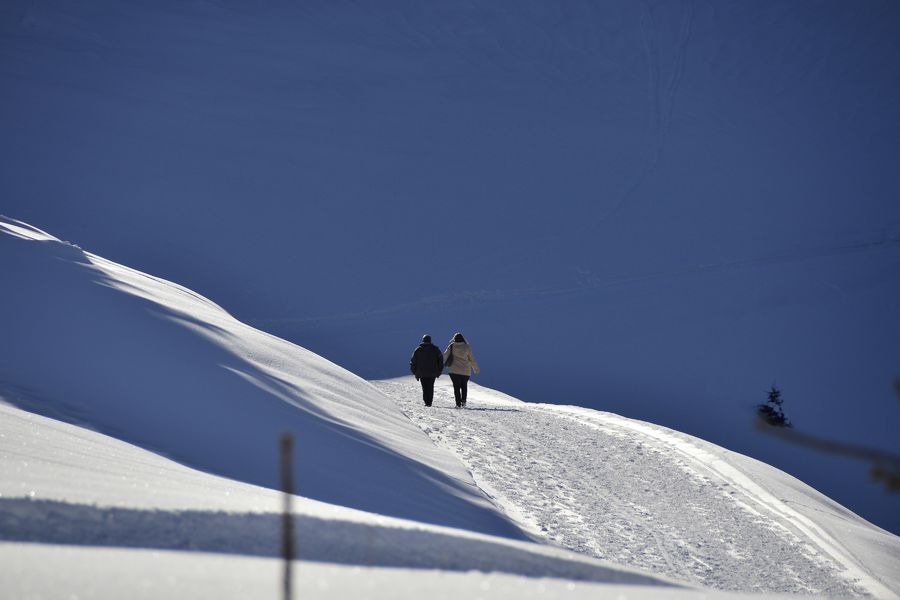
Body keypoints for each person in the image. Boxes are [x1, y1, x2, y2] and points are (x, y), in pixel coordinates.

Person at [444, 332, 479, 408]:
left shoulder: (451, 346)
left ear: (454, 339)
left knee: (456, 387)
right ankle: (464, 402)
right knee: (464, 386)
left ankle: (458, 404)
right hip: (465, 371)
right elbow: (471, 359)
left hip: (453, 370)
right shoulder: (467, 347)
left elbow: (445, 356)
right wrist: (475, 369)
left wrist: (439, 365)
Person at [409, 334, 444, 407]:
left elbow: (413, 361)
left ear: (423, 340)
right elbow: (440, 360)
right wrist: (439, 371)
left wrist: (414, 372)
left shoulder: (418, 350)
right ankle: (429, 402)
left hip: (421, 373)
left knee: (424, 387)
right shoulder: (435, 349)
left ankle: (426, 402)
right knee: (430, 387)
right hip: (433, 372)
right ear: (430, 340)